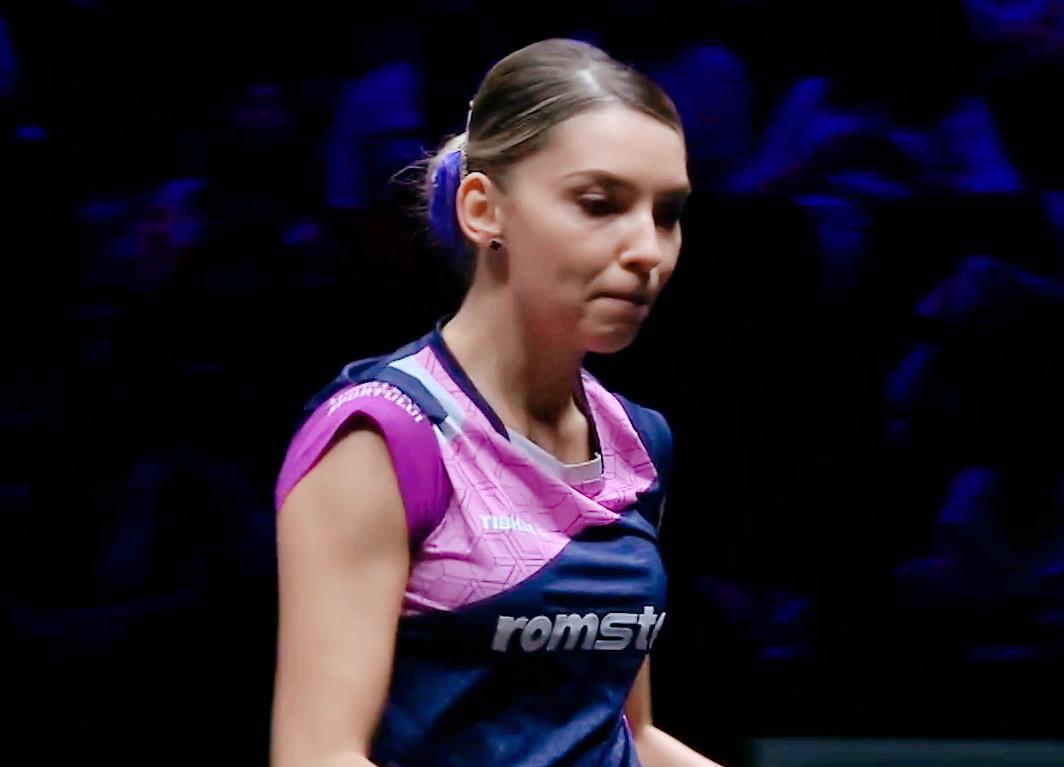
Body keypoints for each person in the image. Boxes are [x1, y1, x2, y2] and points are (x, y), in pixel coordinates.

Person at [270, 38, 724, 767]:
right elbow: (318, 754)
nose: (649, 250)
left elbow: (627, 732)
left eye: (666, 213)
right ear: (484, 210)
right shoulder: (384, 438)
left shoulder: (637, 442)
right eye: (600, 204)